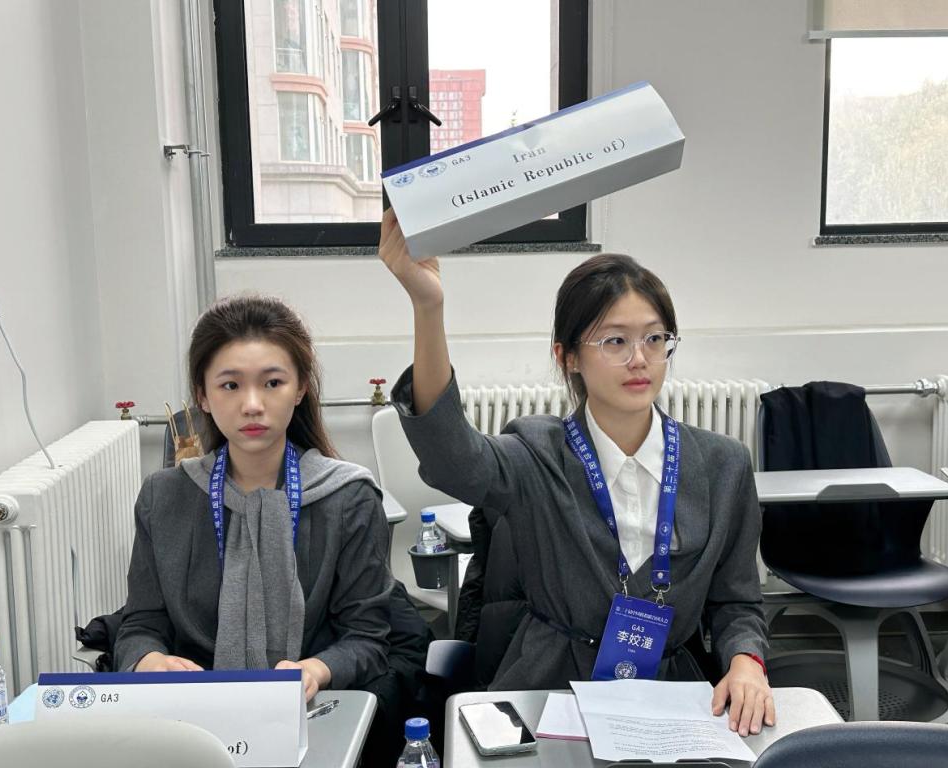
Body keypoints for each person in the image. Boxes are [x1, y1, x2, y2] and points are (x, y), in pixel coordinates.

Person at [378, 209, 775, 737]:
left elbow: (736, 600)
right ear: (567, 357)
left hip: (670, 690)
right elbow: (454, 459)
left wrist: (746, 660)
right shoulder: (537, 453)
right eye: (615, 341)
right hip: (550, 686)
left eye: (655, 339)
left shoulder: (723, 465)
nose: (640, 359)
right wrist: (428, 307)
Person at [114, 294, 396, 703]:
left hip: (312, 709)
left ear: (300, 388)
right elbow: (139, 625)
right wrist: (148, 659)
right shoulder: (164, 497)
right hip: (193, 709)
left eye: (272, 383)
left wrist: (317, 669)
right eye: (230, 385)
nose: (252, 405)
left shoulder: (348, 497)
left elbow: (367, 638)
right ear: (203, 395)